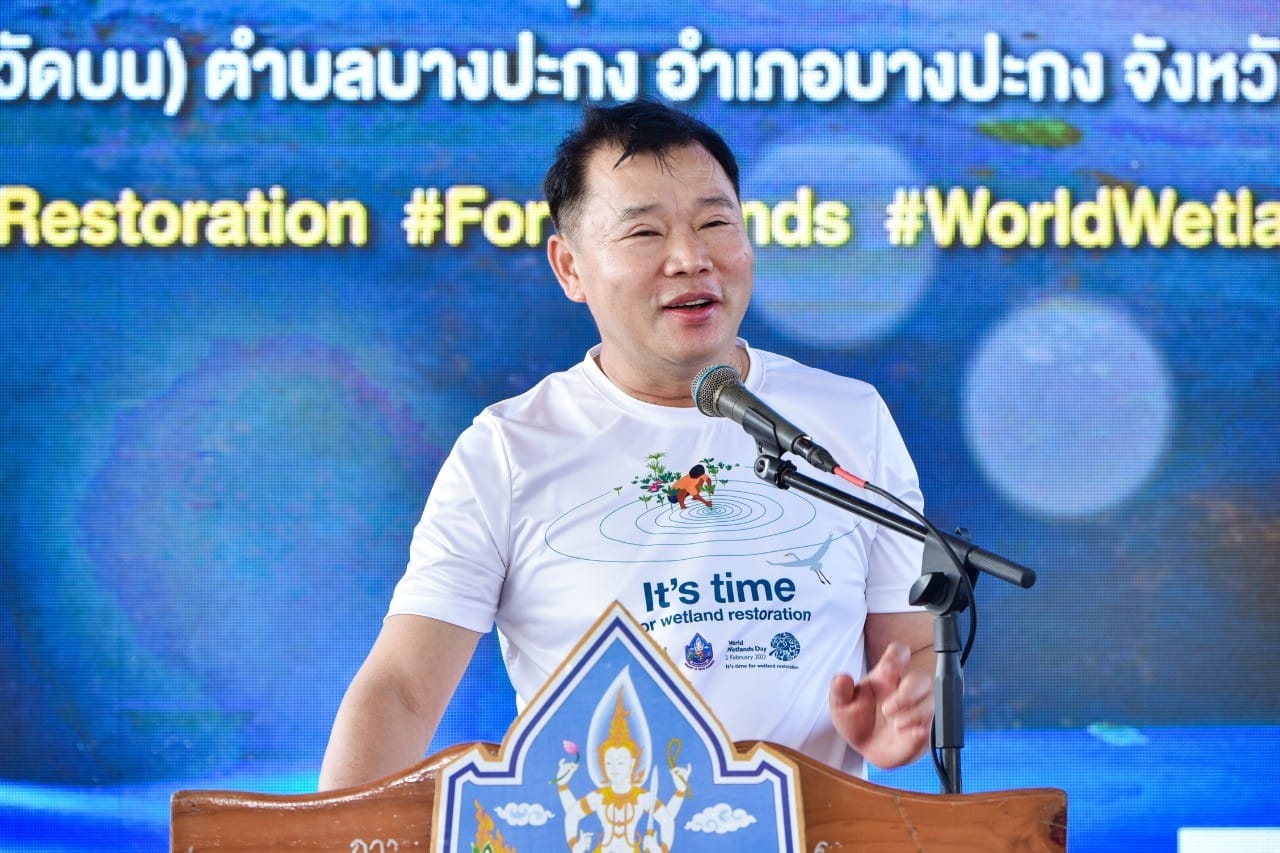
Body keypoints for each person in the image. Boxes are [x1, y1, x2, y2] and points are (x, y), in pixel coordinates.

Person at [319, 100, 935, 792]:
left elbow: (910, 648)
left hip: (814, 832)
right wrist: (324, 834)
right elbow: (402, 689)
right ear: (570, 268)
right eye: (644, 232)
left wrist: (901, 714)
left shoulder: (850, 421)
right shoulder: (508, 450)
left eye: (715, 223)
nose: (692, 259)